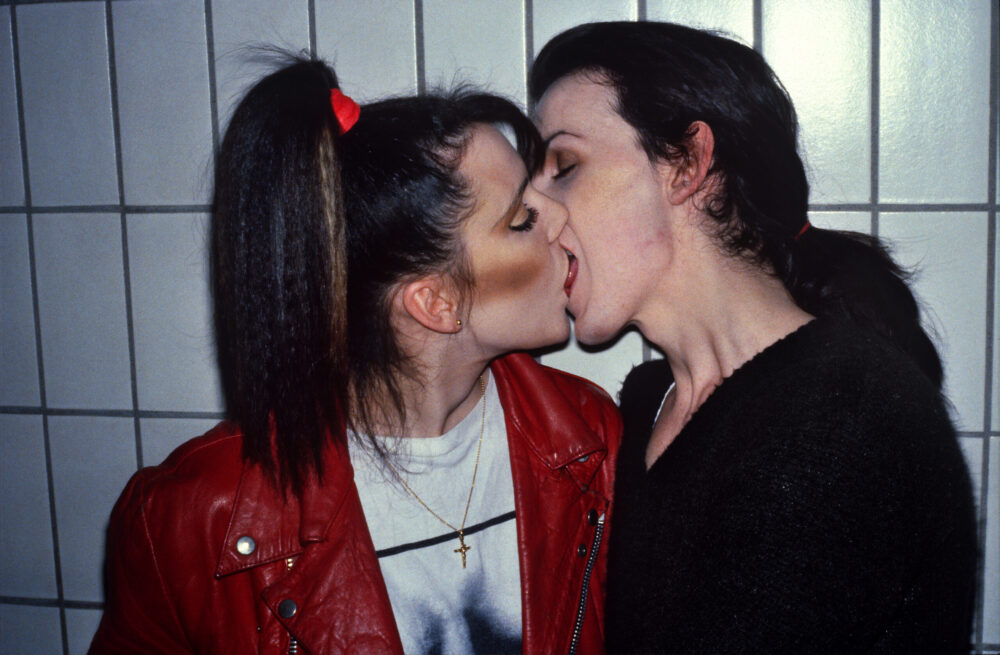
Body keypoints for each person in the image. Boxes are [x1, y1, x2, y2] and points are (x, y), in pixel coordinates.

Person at [89, 56, 620, 655]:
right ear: (435, 303)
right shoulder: (191, 523)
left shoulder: (592, 443)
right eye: (523, 219)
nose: (560, 216)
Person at [529, 21, 977, 654]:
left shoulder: (845, 414)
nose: (534, 207)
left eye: (564, 165)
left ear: (686, 163)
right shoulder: (646, 401)